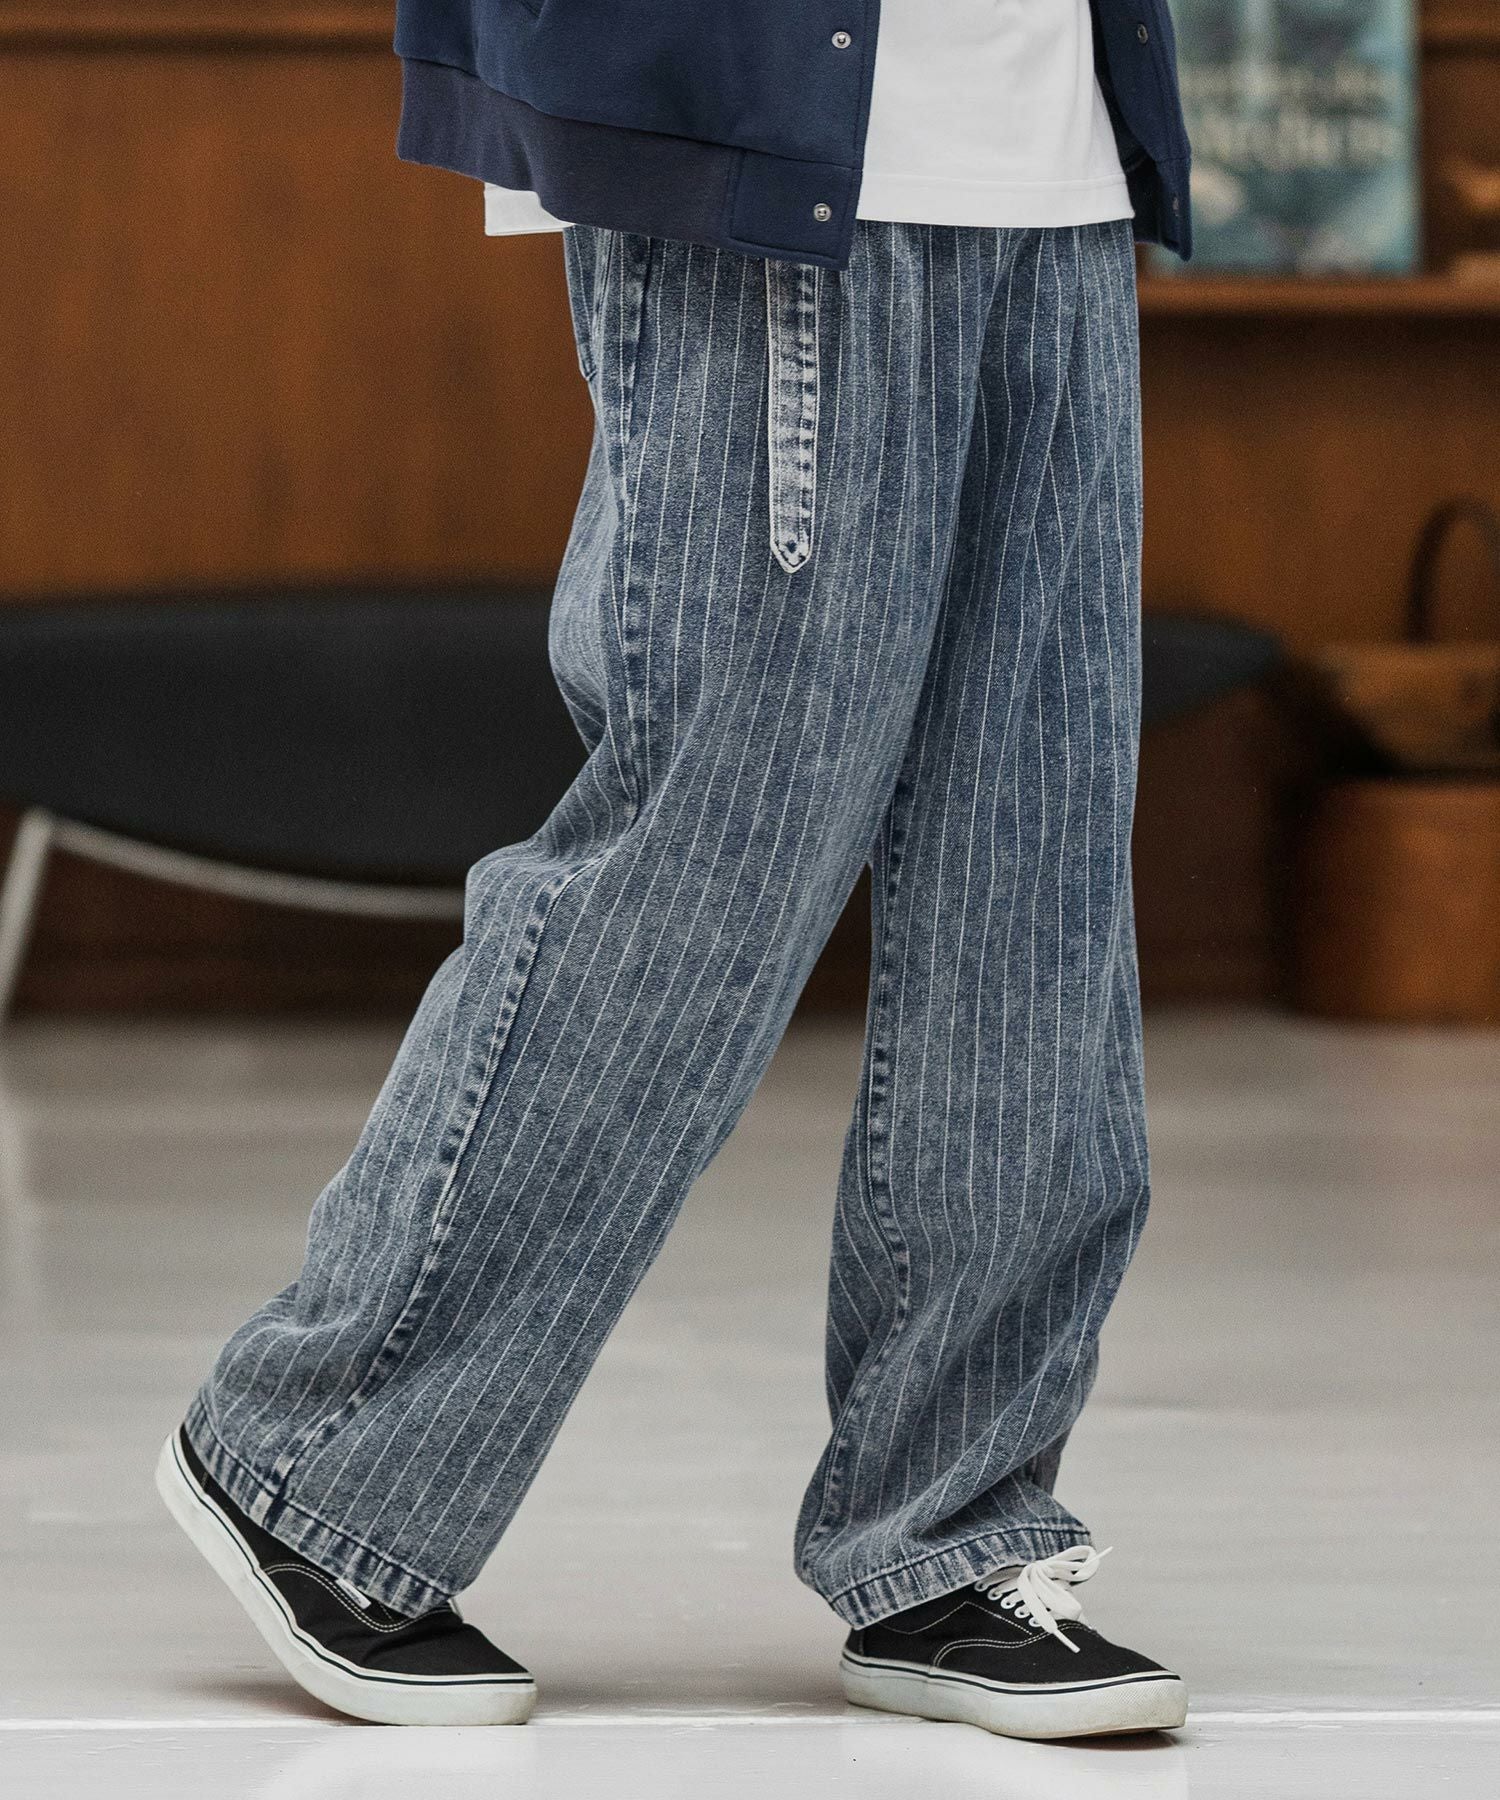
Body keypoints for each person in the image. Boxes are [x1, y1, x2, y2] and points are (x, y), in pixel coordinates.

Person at [155, 0, 1196, 1741]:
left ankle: (950, 1528)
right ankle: (315, 1457)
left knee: (1035, 863)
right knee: (710, 846)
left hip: (1054, 166)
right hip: (776, 157)